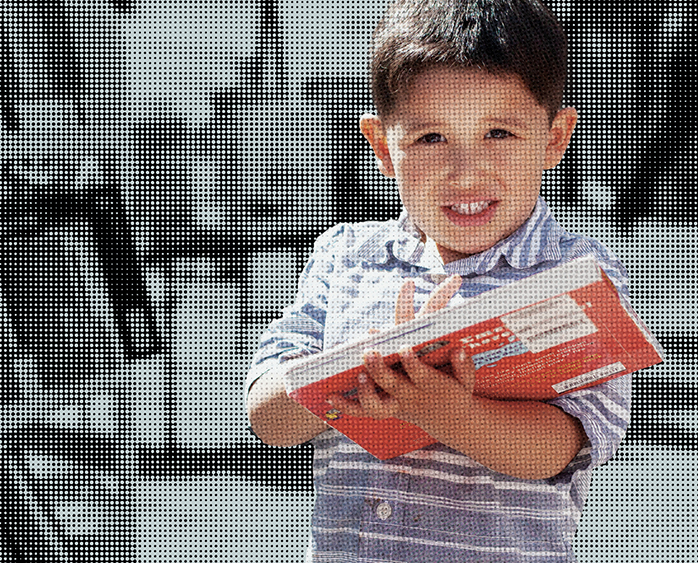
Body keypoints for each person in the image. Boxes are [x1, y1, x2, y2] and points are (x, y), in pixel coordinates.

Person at [244, 0, 635, 560]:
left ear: (553, 139)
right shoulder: (345, 256)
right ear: (384, 148)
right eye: (431, 139)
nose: (466, 170)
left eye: (498, 133)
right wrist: (361, 368)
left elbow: (564, 445)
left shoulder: (576, 273)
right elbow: (268, 417)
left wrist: (442, 410)